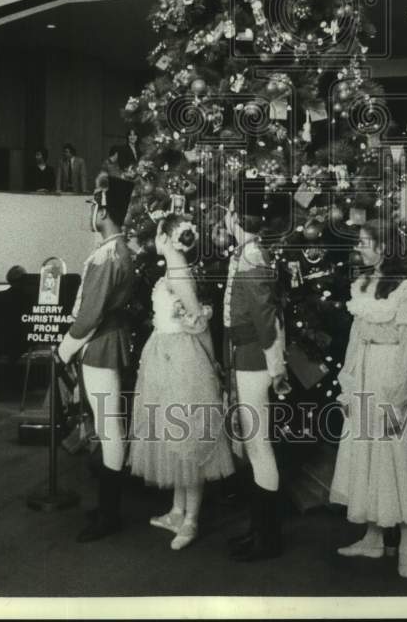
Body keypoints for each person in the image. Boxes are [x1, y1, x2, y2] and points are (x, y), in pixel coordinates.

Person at [330, 222, 407, 580]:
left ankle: (406, 546)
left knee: (399, 459)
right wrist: (347, 385)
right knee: (369, 458)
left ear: (384, 247)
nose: (359, 248)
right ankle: (373, 538)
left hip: (394, 381)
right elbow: (355, 340)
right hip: (365, 376)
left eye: (364, 243)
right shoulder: (362, 286)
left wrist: (399, 399)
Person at [128, 214, 234, 551]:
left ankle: (191, 520)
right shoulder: (170, 273)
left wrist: (212, 365)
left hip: (184, 360)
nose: (154, 239)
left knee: (188, 437)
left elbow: (200, 323)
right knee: (172, 433)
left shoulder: (180, 275)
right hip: (163, 356)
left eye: (158, 234)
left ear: (167, 239)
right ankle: (177, 510)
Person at [56, 176, 136, 541]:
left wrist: (63, 350)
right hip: (104, 342)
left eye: (93, 206)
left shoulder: (109, 255)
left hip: (101, 344)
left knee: (109, 428)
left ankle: (110, 513)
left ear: (104, 210)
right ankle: (108, 508)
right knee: (107, 425)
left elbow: (90, 315)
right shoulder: (115, 250)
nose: (91, 213)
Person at [221, 178, 291, 562]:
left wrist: (276, 368)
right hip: (245, 356)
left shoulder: (251, 258)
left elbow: (267, 324)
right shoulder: (247, 253)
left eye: (230, 210)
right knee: (254, 445)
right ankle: (258, 529)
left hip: (254, 360)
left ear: (237, 216)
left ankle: (268, 537)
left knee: (259, 447)